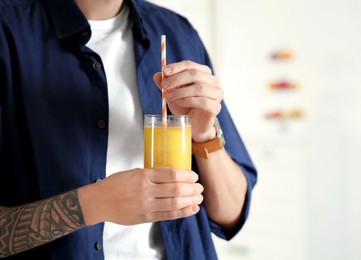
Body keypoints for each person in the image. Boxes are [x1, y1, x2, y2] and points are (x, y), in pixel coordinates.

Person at [0, 0, 257, 259]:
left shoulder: (178, 31)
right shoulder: (7, 26)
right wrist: (94, 203)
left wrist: (204, 136)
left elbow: (230, 214)